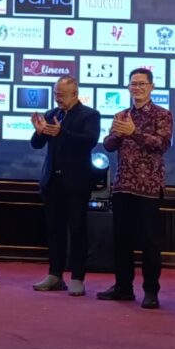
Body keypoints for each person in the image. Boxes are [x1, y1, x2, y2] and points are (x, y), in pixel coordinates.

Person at [96, 68, 173, 309]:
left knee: (150, 243)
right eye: (133, 84)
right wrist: (118, 135)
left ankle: (151, 291)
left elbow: (162, 144)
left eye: (142, 84)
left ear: (151, 87)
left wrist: (134, 132)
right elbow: (108, 145)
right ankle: (123, 287)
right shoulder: (121, 115)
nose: (137, 88)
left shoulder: (162, 114)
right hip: (123, 186)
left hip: (149, 187)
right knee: (122, 241)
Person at [29, 76, 101, 296]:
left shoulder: (90, 115)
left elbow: (89, 141)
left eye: (62, 94)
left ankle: (77, 277)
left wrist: (62, 133)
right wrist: (39, 132)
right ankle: (55, 275)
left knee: (77, 230)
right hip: (52, 182)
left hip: (76, 183)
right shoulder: (51, 114)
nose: (58, 98)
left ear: (75, 94)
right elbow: (36, 144)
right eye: (56, 94)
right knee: (54, 230)